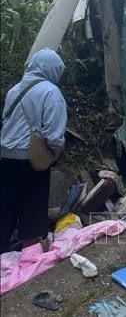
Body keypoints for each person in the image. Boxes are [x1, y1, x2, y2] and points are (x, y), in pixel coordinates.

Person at [1, 48, 67, 253]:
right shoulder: (50, 92)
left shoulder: (15, 90)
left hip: (6, 157)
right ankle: (30, 249)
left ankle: (4, 249)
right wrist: (53, 154)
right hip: (31, 158)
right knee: (33, 204)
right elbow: (54, 135)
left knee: (6, 204)